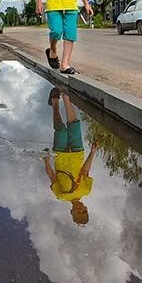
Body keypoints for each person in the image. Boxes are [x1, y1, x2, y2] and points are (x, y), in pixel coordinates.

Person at [42, 88, 98, 225]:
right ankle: (66, 98)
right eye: (84, 211)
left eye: (79, 213)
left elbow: (52, 176)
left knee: (60, 129)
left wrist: (46, 161)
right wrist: (93, 152)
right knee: (74, 125)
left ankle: (55, 104)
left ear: (72, 212)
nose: (82, 209)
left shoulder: (61, 195)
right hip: (78, 153)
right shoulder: (86, 190)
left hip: (60, 154)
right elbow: (85, 170)